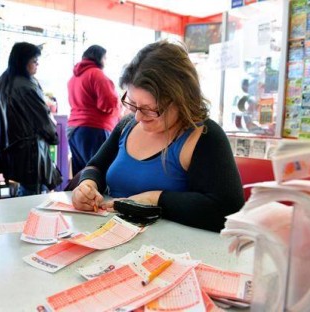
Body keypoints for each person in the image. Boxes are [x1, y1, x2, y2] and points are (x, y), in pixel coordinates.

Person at [72, 40, 244, 232]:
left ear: (181, 99)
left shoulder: (203, 136)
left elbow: (227, 210)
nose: (138, 116)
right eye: (132, 104)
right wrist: (87, 185)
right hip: (109, 235)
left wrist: (155, 199)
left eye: (150, 109)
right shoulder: (127, 126)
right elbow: (96, 166)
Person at [0, 42, 62, 196]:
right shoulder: (26, 86)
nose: (37, 65)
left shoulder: (3, 80)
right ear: (23, 61)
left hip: (9, 149)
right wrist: (53, 136)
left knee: (23, 194)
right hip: (30, 153)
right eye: (34, 61)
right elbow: (41, 118)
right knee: (34, 197)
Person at [67, 45, 120, 177]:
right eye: (105, 58)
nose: (106, 61)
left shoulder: (73, 78)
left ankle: (79, 197)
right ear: (99, 57)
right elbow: (109, 103)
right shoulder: (96, 74)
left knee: (80, 174)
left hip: (74, 129)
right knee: (98, 172)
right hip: (94, 128)